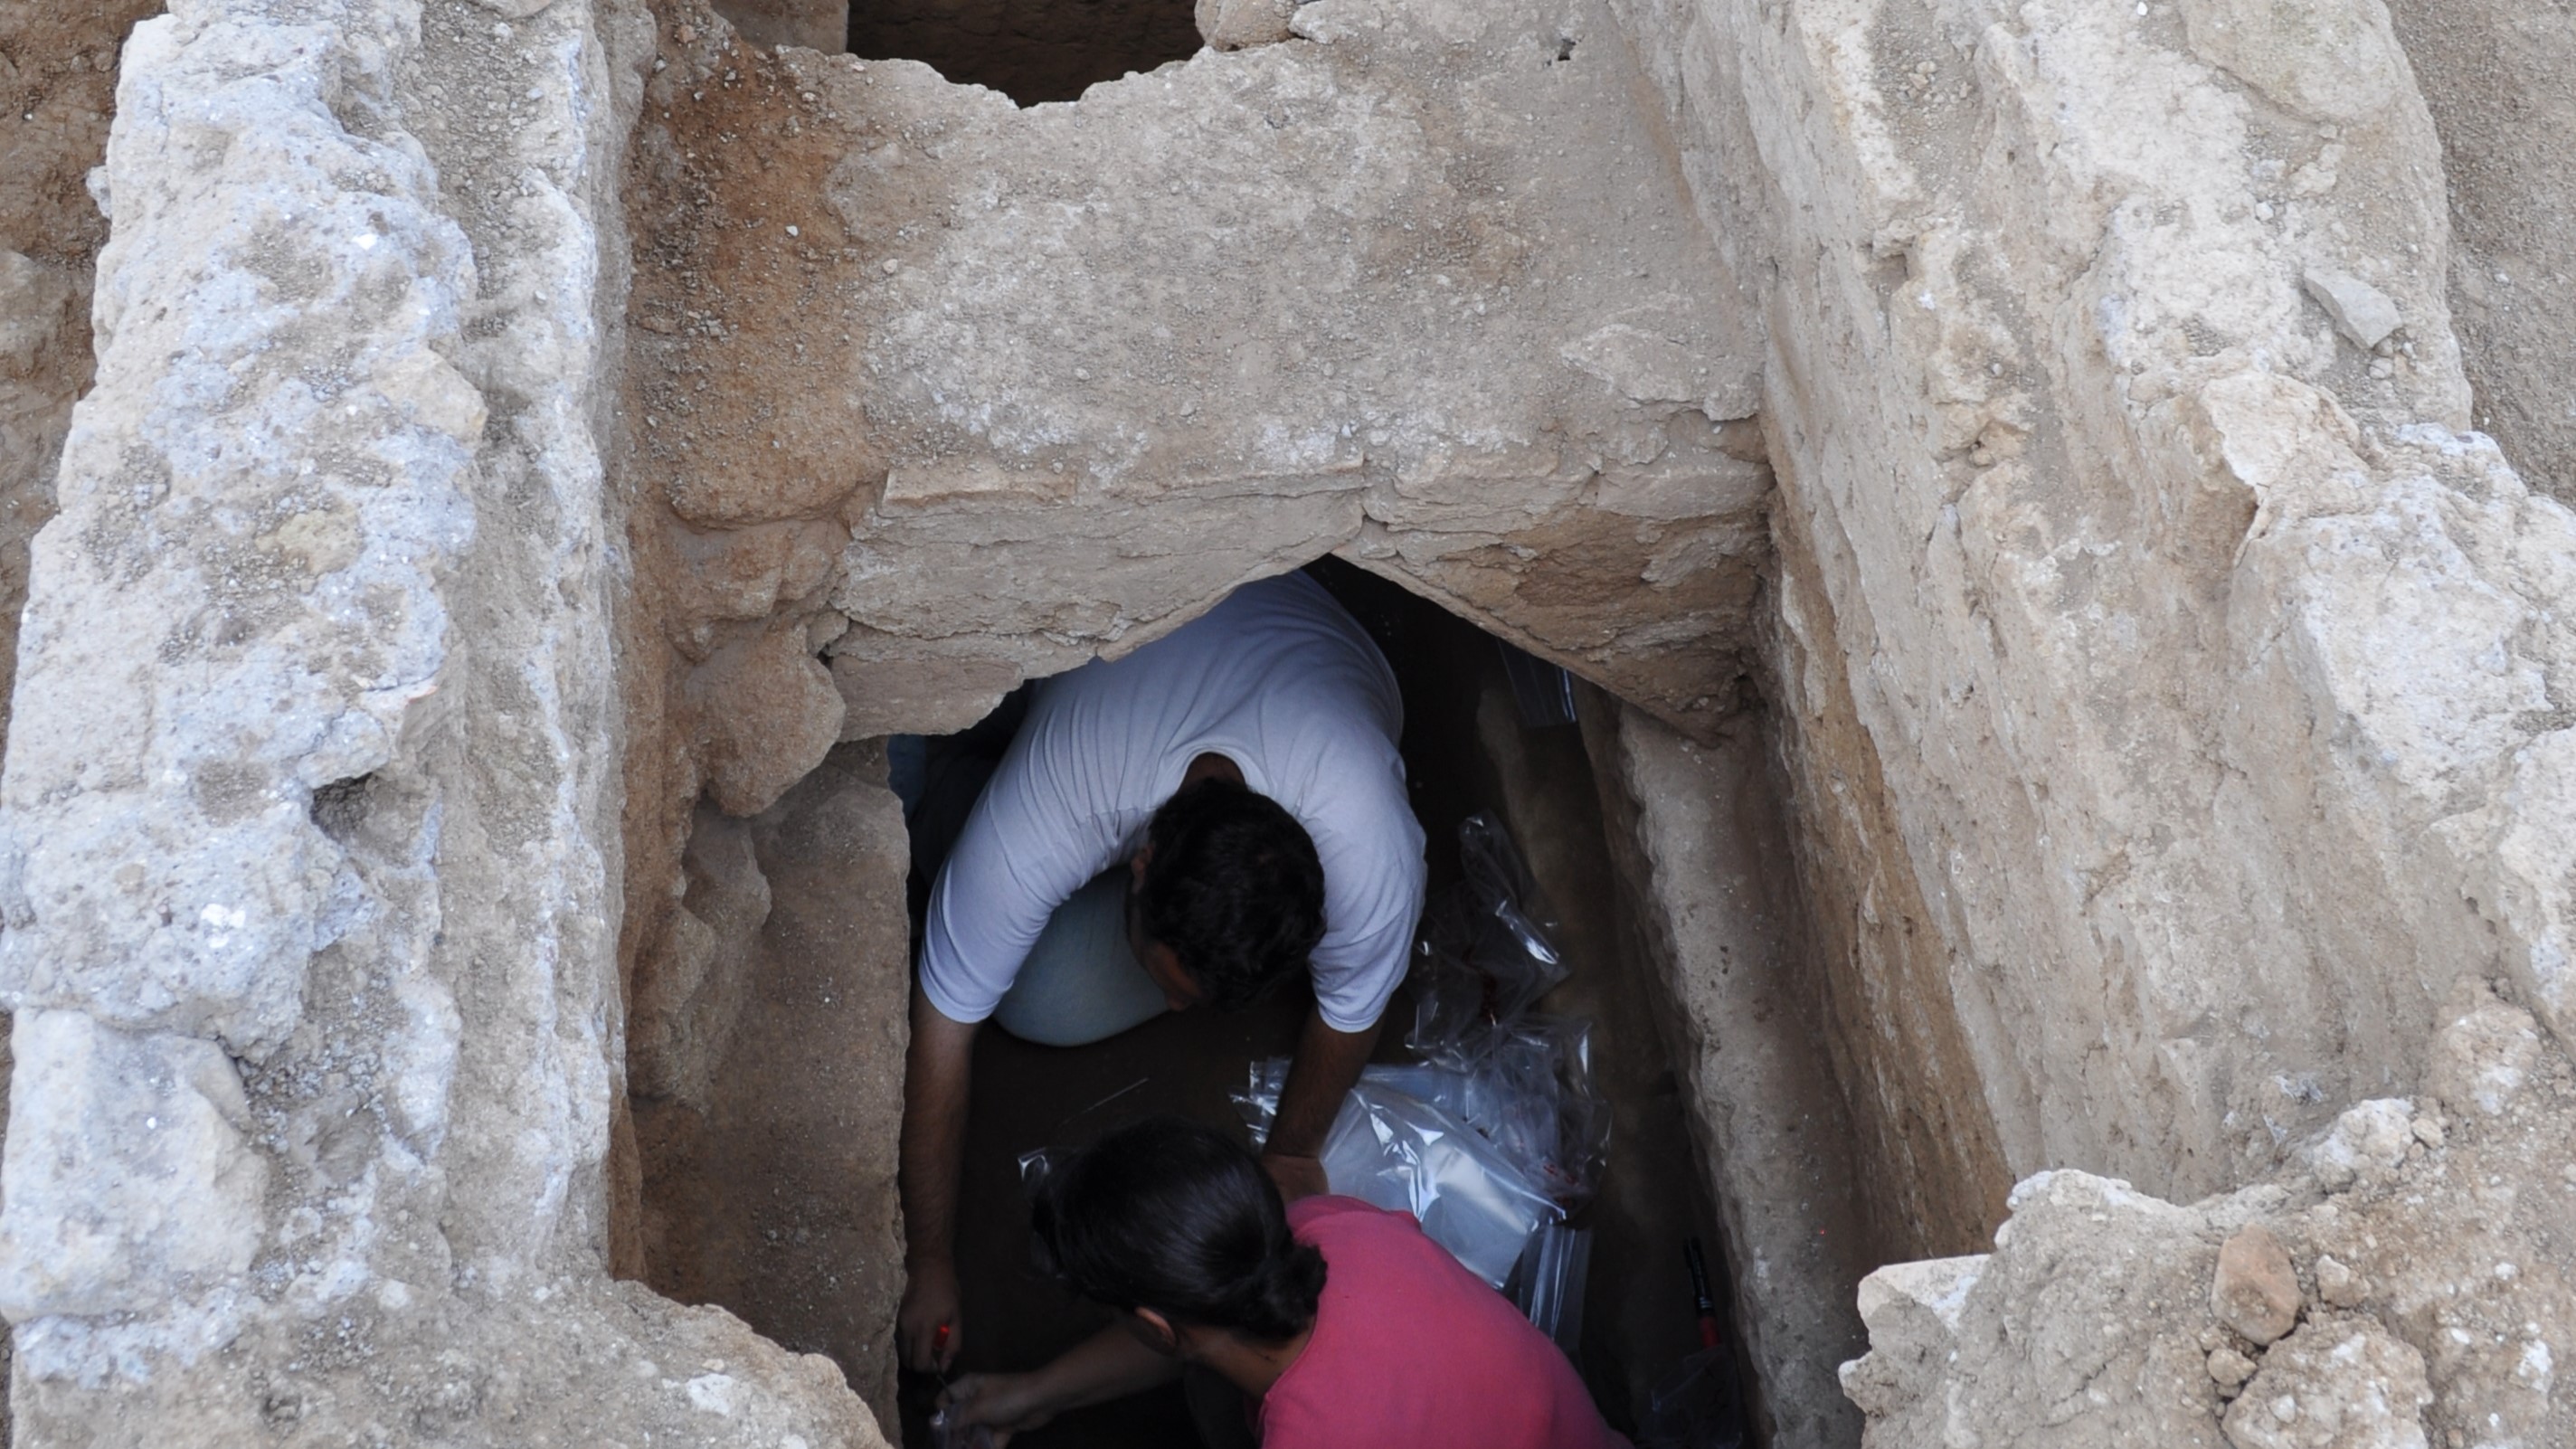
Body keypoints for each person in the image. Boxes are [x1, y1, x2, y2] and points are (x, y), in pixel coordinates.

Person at [896, 571, 1428, 1372]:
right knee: (922, 795)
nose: (1176, 1013)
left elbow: (1349, 1012)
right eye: (1168, 981)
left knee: (1042, 998)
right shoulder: (1068, 791)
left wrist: (1290, 1154)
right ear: (1140, 864)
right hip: (1083, 626)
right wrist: (930, 1258)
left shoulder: (1369, 848)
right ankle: (948, 781)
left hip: (1283, 639)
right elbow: (943, 1025)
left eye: (1195, 999)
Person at [940, 1117, 1630, 1449]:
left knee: (1212, 1405)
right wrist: (1035, 1394)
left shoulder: (1313, 1437)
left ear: (1154, 1327)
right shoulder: (1330, 1229)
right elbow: (1192, 1326)